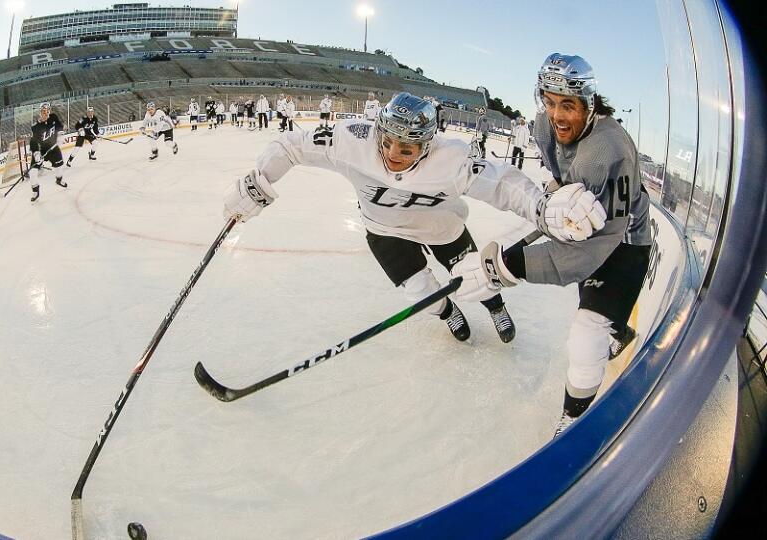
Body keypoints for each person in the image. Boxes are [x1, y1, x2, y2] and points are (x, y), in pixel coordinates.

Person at [221, 92, 606, 344]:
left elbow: (502, 184)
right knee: (420, 294)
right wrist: (258, 182)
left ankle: (496, 308)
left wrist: (541, 207)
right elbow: (291, 145)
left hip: (442, 227)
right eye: (386, 140)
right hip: (383, 231)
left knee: (477, 277)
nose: (392, 153)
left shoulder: (450, 159)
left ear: (427, 144)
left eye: (406, 148)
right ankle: (447, 311)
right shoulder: (352, 141)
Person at [450, 53, 651, 437]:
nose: (557, 115)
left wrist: (506, 268)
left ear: (590, 104)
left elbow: (587, 252)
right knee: (596, 321)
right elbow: (563, 192)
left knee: (585, 337)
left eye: (568, 105)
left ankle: (572, 423)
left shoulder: (608, 150)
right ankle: (618, 330)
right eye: (550, 101)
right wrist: (560, 198)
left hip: (623, 242)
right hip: (590, 231)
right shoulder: (544, 126)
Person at [28, 102, 68, 203]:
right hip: (40, 150)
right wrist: (36, 154)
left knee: (59, 168)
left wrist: (60, 135)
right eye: (43, 112)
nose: (45, 114)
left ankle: (59, 180)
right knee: (32, 172)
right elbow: (33, 142)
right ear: (40, 112)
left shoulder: (53, 117)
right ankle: (35, 192)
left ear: (49, 111)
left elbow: (60, 125)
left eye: (47, 112)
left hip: (53, 148)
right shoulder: (35, 127)